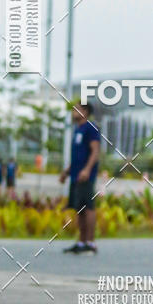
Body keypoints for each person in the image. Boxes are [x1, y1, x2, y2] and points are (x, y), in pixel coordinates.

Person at [60, 101, 100, 254]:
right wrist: (67, 172)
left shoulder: (91, 128)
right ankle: (82, 243)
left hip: (85, 176)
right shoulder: (78, 130)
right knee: (80, 209)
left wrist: (87, 170)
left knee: (88, 208)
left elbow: (95, 151)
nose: (73, 111)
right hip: (76, 175)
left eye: (76, 109)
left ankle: (91, 243)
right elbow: (77, 156)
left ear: (85, 111)